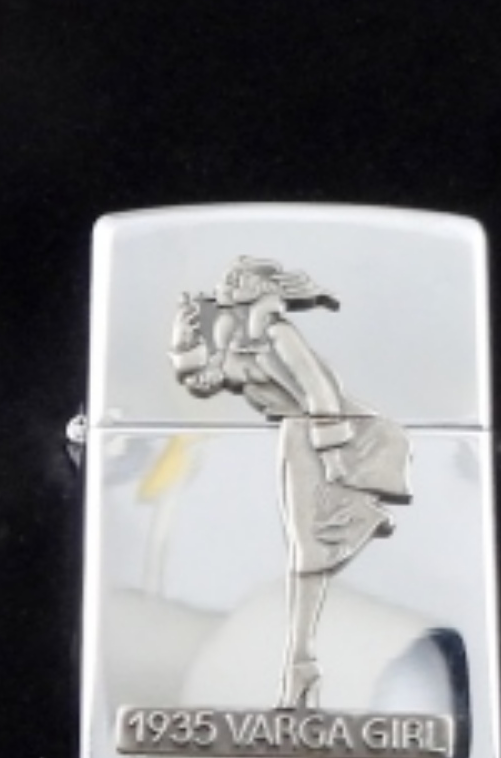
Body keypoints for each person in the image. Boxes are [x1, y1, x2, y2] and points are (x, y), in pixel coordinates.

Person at [168, 255, 411, 710]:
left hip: (324, 434)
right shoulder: (238, 338)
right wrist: (184, 343)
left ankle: (302, 663)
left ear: (265, 290)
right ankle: (303, 661)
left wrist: (334, 459)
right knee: (307, 550)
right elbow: (204, 382)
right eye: (229, 279)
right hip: (296, 435)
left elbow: (321, 391)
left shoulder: (280, 334)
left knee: (307, 553)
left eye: (240, 279)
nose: (228, 284)